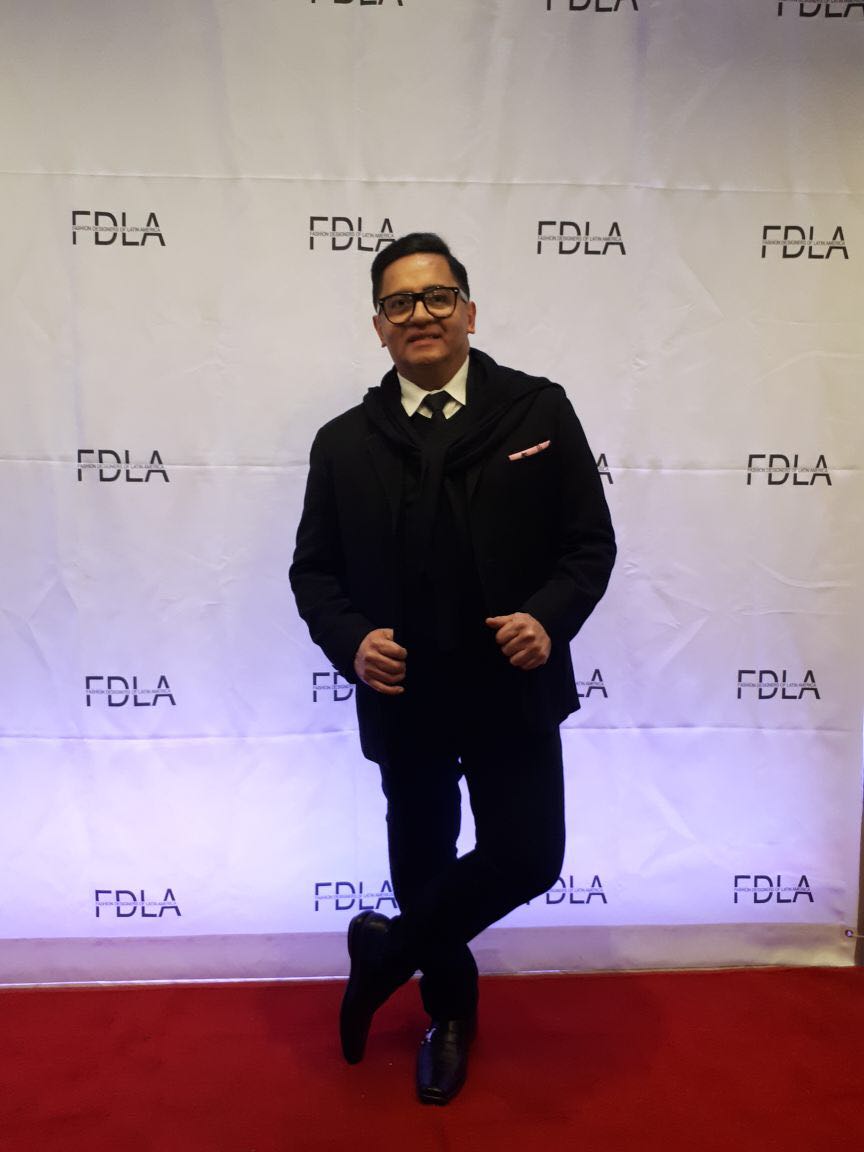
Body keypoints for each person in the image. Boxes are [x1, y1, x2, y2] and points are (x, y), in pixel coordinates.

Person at [290, 232, 615, 1105]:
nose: (420, 314)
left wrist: (548, 619)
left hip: (511, 682)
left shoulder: (538, 412)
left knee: (529, 856)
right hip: (405, 694)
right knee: (423, 861)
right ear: (379, 326)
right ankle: (449, 1015)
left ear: (468, 312)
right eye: (399, 303)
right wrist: (351, 640)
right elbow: (313, 573)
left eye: (437, 297)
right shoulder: (343, 442)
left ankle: (386, 951)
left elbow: (589, 546)